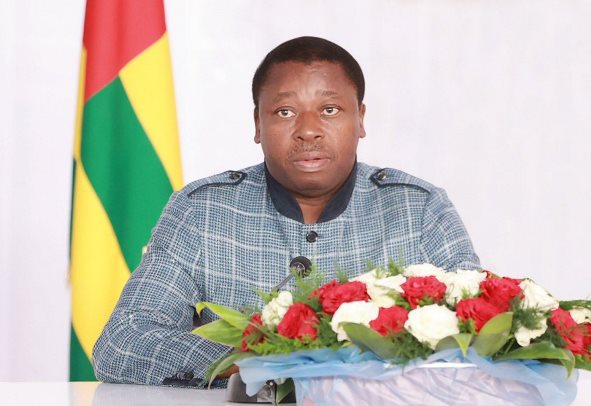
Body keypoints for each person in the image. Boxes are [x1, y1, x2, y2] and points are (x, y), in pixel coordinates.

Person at [93, 36, 480, 387]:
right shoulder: (202, 211)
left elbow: (482, 333)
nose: (308, 130)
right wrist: (256, 359)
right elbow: (121, 343)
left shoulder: (419, 209)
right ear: (257, 124)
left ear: (360, 118)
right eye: (284, 112)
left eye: (329, 109)